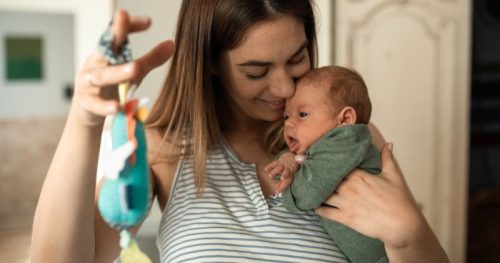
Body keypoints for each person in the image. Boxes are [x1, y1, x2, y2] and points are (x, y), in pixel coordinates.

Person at [31, 1, 450, 263]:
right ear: (210, 63)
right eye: (256, 71)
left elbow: (414, 250)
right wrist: (85, 121)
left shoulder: (348, 140)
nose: (285, 89)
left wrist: (410, 235)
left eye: (298, 58)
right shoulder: (166, 147)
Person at [265, 65, 387, 263]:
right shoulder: (324, 148)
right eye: (286, 116)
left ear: (345, 119)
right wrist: (288, 159)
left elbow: (306, 195)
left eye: (302, 114)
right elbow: (304, 160)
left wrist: (291, 188)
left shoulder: (346, 141)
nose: (288, 123)